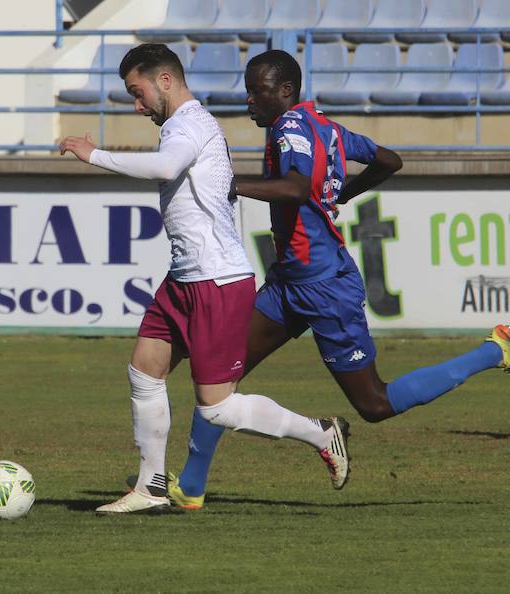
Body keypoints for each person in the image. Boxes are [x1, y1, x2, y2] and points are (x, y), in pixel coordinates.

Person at [165, 49, 510, 510]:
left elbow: (294, 187)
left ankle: (494, 351)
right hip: (290, 282)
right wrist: (342, 191)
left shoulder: (289, 128)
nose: (248, 100)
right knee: (218, 377)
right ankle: (190, 487)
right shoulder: (327, 127)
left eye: (257, 91)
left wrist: (231, 186)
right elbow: (390, 160)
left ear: (285, 92)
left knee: (375, 405)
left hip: (325, 287)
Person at [59, 44, 352, 514]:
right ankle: (150, 487)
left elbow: (165, 167)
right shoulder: (180, 125)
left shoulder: (190, 123)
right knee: (144, 371)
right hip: (184, 277)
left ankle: (321, 432)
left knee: (216, 408)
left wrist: (95, 155)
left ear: (166, 81)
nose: (137, 106)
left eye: (138, 93)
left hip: (216, 279)